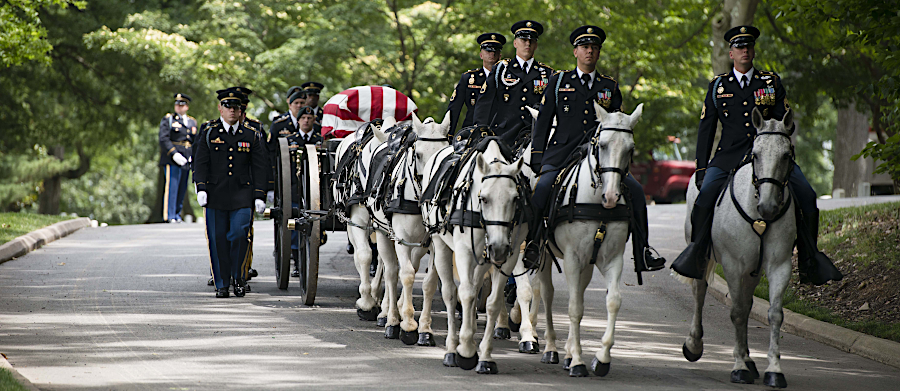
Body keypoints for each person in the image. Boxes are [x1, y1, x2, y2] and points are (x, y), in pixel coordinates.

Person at [671, 26, 843, 286]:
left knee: (807, 196)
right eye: (739, 47)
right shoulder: (718, 86)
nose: (745, 51)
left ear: (753, 50)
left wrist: (783, 128)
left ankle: (809, 260)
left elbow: (786, 123)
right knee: (704, 197)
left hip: (770, 157)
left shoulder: (770, 82)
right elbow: (706, 130)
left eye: (749, 46)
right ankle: (698, 252)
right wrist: (702, 167)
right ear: (731, 53)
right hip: (728, 156)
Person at [526, 25, 666, 275]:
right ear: (575, 52)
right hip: (561, 153)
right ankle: (534, 244)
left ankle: (642, 251)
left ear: (599, 53)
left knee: (634, 190)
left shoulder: (609, 86)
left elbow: (618, 125)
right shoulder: (558, 82)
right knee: (542, 189)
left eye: (594, 47)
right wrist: (538, 158)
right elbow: (544, 123)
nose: (589, 51)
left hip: (600, 155)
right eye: (584, 47)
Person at [194, 88, 268, 298]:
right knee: (217, 240)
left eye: (236, 108)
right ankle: (222, 284)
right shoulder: (210, 133)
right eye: (228, 107)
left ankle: (238, 277)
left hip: (242, 196)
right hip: (215, 196)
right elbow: (200, 163)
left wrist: (259, 195)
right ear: (220, 108)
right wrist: (200, 187)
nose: (232, 111)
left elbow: (260, 167)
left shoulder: (251, 135)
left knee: (238, 235)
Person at [473, 20, 553, 147]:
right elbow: (485, 103)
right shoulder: (502, 69)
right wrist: (481, 130)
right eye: (523, 40)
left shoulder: (547, 73)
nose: (528, 43)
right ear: (515, 43)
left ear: (536, 45)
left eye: (531, 40)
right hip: (503, 136)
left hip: (535, 137)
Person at [446, 32, 506, 135]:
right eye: (488, 50)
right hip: (472, 132)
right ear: (481, 55)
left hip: (501, 132)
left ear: (500, 55)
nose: (492, 54)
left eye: (496, 51)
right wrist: (449, 135)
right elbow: (454, 108)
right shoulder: (469, 78)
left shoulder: (507, 79)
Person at [235, 86, 266, 284]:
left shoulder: (254, 129)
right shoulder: (211, 130)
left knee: (245, 232)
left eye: (242, 105)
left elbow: (261, 162)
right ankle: (218, 272)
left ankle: (243, 270)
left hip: (245, 188)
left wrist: (262, 191)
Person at [159, 93, 197, 223]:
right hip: (172, 158)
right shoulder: (169, 119)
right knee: (172, 186)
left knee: (182, 187)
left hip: (186, 158)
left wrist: (193, 155)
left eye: (181, 105)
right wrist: (174, 153)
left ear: (186, 106)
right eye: (177, 104)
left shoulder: (192, 122)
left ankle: (176, 213)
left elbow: (194, 141)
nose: (178, 107)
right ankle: (169, 215)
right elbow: (163, 138)